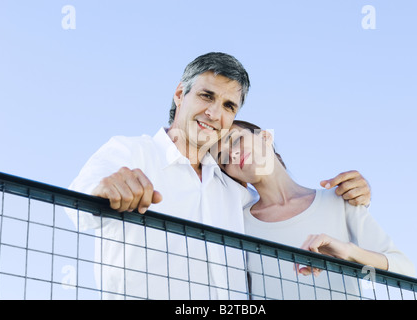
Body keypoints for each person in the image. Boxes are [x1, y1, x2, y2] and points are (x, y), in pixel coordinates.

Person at [67, 52, 372, 300]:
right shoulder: (130, 151)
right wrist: (104, 189)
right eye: (206, 96)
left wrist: (352, 195)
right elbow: (77, 205)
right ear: (179, 94)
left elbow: (286, 211)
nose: (214, 113)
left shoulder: (234, 187)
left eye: (228, 105)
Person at [216, 120, 415, 300]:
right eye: (224, 160)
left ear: (265, 136)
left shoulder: (338, 200)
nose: (232, 154)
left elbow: (404, 270)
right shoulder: (237, 222)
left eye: (235, 140)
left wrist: (349, 253)